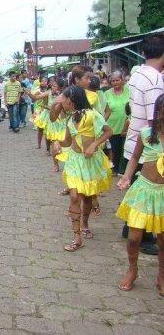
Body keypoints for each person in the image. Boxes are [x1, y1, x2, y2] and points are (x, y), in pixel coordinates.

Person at [52, 86, 113, 252]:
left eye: (63, 99)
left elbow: (108, 132)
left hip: (90, 162)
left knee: (88, 198)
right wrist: (57, 143)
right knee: (74, 196)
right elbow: (67, 141)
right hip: (74, 161)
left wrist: (94, 144)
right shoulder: (70, 119)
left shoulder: (92, 115)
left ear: (71, 100)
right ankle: (77, 237)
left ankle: (85, 223)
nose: (62, 103)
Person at [116, 94, 164, 294]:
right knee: (134, 238)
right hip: (143, 190)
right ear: (158, 112)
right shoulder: (146, 134)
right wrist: (127, 176)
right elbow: (135, 157)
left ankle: (161, 274)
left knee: (162, 240)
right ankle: (132, 270)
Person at [122, 34, 164, 256]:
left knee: (136, 194)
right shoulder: (155, 81)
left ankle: (130, 229)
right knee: (146, 196)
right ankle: (143, 237)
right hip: (148, 146)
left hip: (134, 140)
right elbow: (154, 118)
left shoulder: (137, 73)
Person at [105, 71, 130, 175]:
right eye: (113, 81)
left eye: (117, 80)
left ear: (122, 80)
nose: (115, 82)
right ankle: (114, 169)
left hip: (127, 126)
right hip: (112, 127)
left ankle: (123, 171)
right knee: (114, 149)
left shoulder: (129, 91)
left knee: (125, 149)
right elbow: (104, 110)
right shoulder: (106, 94)